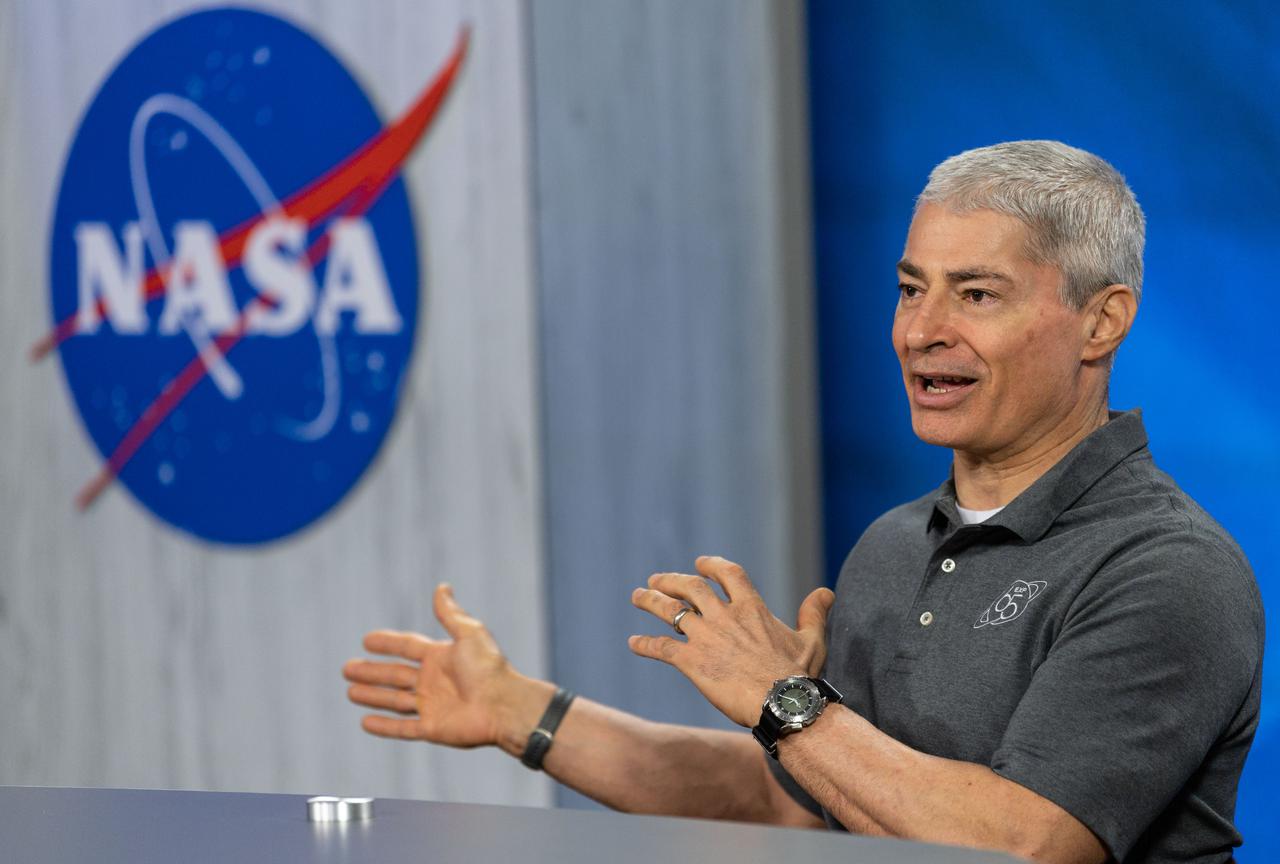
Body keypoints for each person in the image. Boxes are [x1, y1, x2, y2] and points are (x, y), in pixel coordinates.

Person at [342, 141, 1263, 864]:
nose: (921, 331)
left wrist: (787, 705)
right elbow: (790, 804)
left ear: (1103, 321)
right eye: (910, 289)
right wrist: (526, 713)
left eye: (977, 294)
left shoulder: (1167, 570)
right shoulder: (894, 547)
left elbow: (1022, 847)